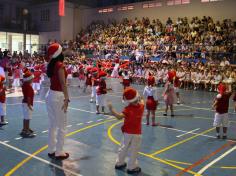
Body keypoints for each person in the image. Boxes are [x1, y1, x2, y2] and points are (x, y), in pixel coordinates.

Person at [108, 87, 144, 174]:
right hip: (137, 133)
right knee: (134, 150)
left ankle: (119, 163)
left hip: (127, 132)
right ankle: (131, 167)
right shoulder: (142, 107)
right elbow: (142, 99)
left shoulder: (127, 109)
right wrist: (137, 95)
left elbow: (119, 117)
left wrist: (111, 109)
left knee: (123, 147)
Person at [46, 43, 70, 160]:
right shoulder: (60, 65)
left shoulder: (51, 63)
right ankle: (59, 151)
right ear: (59, 53)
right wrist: (67, 98)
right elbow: (63, 84)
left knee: (53, 124)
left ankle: (51, 149)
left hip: (50, 95)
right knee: (62, 125)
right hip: (58, 96)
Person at [21, 69, 35, 137]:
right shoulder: (29, 86)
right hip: (27, 103)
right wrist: (29, 105)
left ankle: (25, 128)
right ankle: (26, 130)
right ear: (29, 79)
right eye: (32, 79)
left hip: (24, 102)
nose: (33, 80)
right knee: (27, 117)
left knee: (25, 117)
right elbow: (29, 96)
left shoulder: (24, 85)